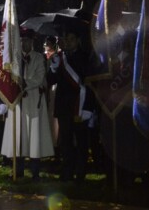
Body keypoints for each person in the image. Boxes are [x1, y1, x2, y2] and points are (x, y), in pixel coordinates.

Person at [1, 29, 54, 180]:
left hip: (33, 100)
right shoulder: (14, 59)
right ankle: (18, 170)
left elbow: (39, 77)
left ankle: (35, 171)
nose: (25, 43)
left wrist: (24, 84)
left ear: (32, 42)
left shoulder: (39, 58)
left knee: (34, 135)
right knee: (19, 134)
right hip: (18, 102)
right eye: (23, 40)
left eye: (28, 41)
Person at [48, 29, 93, 182]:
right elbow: (50, 81)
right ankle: (67, 172)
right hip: (63, 107)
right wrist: (53, 68)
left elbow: (89, 85)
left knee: (81, 142)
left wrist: (88, 108)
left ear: (78, 40)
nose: (68, 42)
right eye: (66, 39)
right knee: (65, 142)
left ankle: (80, 173)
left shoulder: (86, 57)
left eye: (71, 39)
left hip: (79, 105)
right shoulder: (59, 58)